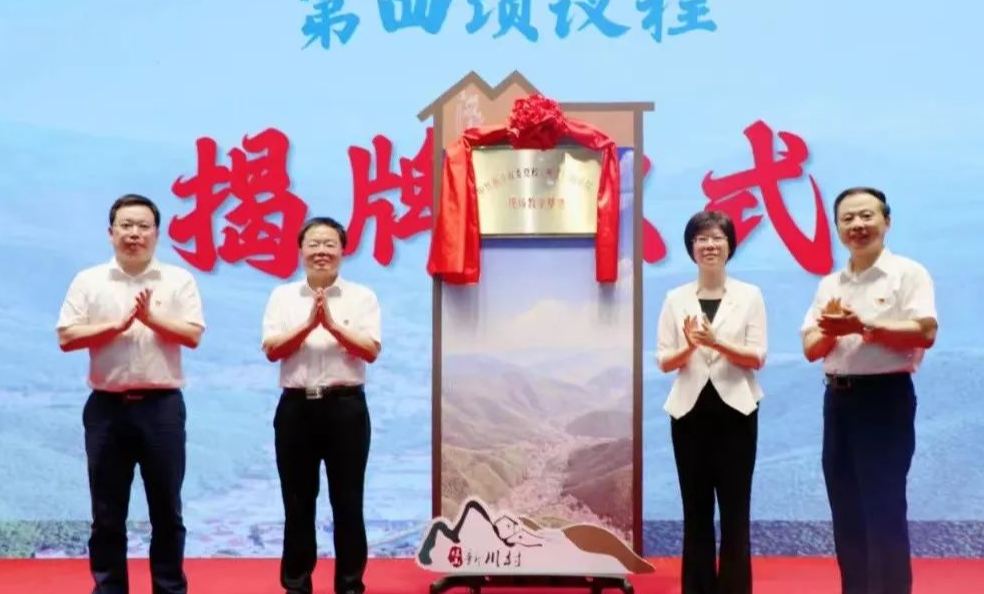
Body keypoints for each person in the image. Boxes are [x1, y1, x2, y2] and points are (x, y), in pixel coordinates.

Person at [57, 194, 205, 594]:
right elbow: (67, 337)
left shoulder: (178, 280)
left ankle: (169, 588)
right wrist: (117, 326)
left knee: (167, 510)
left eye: (143, 226)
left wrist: (151, 319)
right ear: (111, 233)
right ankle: (109, 589)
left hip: (162, 408)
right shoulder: (89, 280)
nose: (134, 233)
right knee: (107, 513)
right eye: (126, 225)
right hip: (107, 407)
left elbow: (192, 334)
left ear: (156, 233)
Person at [801, 187, 937, 594]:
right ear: (837, 228)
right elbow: (811, 347)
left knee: (884, 508)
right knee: (846, 509)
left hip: (885, 399)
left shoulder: (908, 274)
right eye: (847, 219)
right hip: (838, 401)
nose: (857, 225)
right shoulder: (830, 284)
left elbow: (925, 332)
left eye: (866, 216)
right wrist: (834, 330)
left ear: (886, 221)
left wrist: (863, 327)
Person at [262, 217, 382, 594]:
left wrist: (330, 325)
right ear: (301, 250)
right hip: (296, 409)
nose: (321, 251)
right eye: (313, 244)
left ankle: (350, 586)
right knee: (297, 503)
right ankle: (297, 585)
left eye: (329, 244)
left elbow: (371, 350)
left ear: (343, 250)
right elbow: (272, 350)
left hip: (345, 409)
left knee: (348, 502)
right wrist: (307, 325)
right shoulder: (282, 296)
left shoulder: (362, 297)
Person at [656, 210, 767, 594]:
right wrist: (690, 346)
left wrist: (716, 342)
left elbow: (756, 357)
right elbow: (664, 361)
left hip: (737, 413)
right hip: (689, 415)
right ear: (691, 247)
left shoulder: (749, 295)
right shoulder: (675, 299)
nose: (709, 245)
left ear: (730, 245)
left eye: (717, 238)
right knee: (696, 511)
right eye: (701, 239)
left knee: (736, 513)